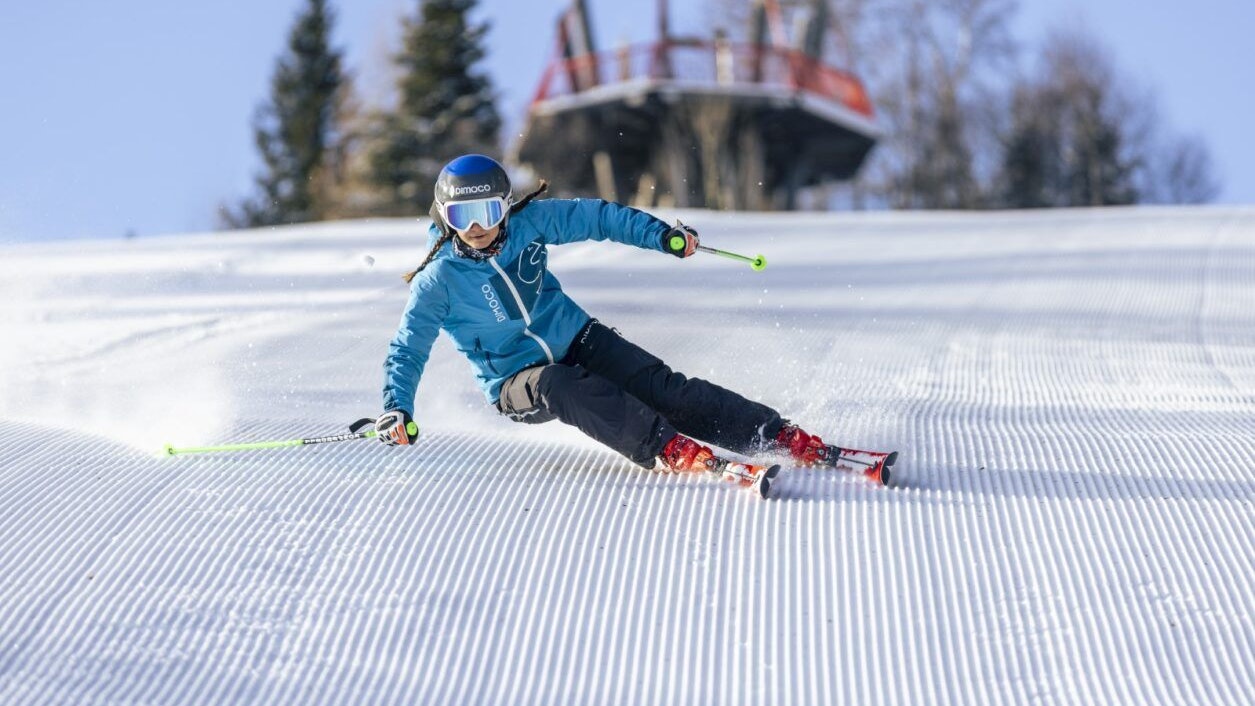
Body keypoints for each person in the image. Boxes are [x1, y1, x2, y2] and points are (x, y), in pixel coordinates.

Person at [375, 154, 859, 494]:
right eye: (462, 216)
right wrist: (396, 407)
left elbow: (599, 218)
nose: (477, 228)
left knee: (663, 389)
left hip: (574, 335)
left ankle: (773, 434)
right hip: (514, 381)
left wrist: (661, 236)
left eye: (488, 211)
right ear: (445, 217)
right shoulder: (438, 280)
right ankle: (665, 447)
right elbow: (408, 347)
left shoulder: (531, 223)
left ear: (506, 207)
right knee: (559, 383)